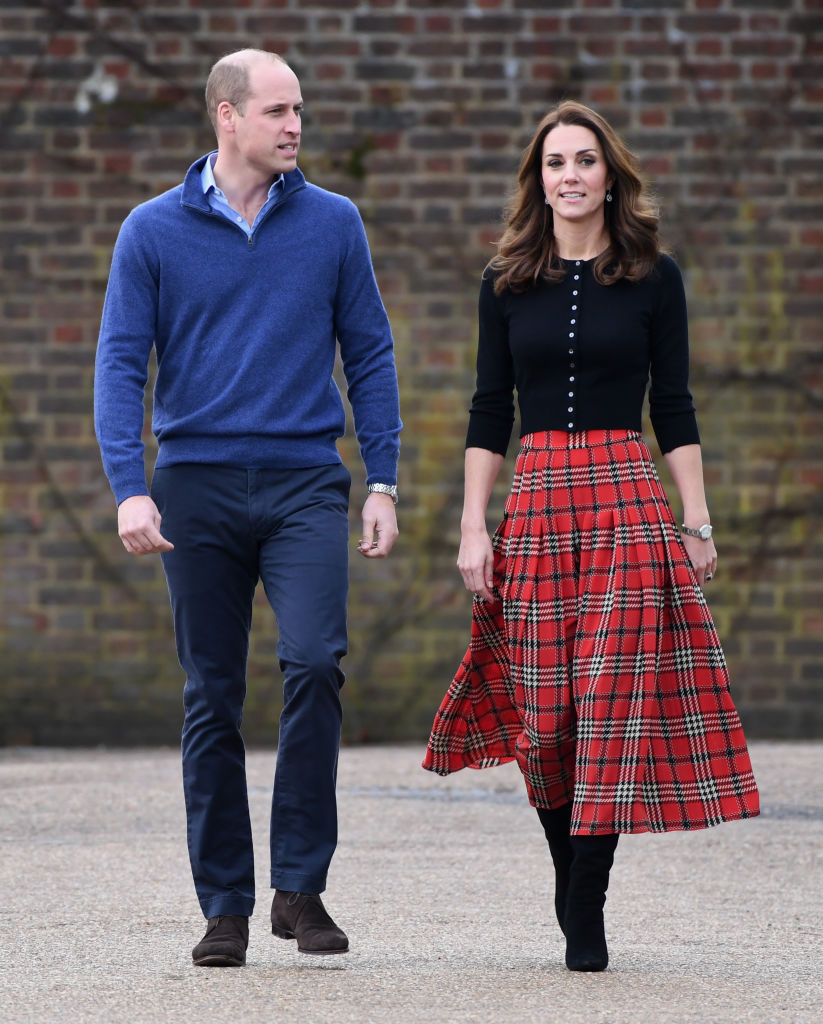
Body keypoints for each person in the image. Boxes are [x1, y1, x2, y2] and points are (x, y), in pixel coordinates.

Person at [422, 101, 759, 972]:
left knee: (607, 704)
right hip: (535, 505)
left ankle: (586, 899)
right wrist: (473, 527)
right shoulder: (504, 281)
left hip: (622, 504)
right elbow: (487, 409)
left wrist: (696, 521)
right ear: (538, 181)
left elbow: (673, 407)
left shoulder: (655, 277)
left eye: (583, 160)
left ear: (610, 176)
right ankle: (567, 870)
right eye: (552, 163)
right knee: (545, 717)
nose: (568, 175)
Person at [94, 49, 401, 967]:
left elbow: (371, 355)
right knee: (212, 695)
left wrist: (380, 480)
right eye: (277, 110)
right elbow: (118, 364)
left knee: (313, 664)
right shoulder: (150, 231)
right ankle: (223, 903)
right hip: (195, 488)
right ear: (226, 117)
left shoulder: (334, 223)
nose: (295, 125)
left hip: (306, 480)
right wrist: (129, 487)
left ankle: (299, 889)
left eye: (298, 108)